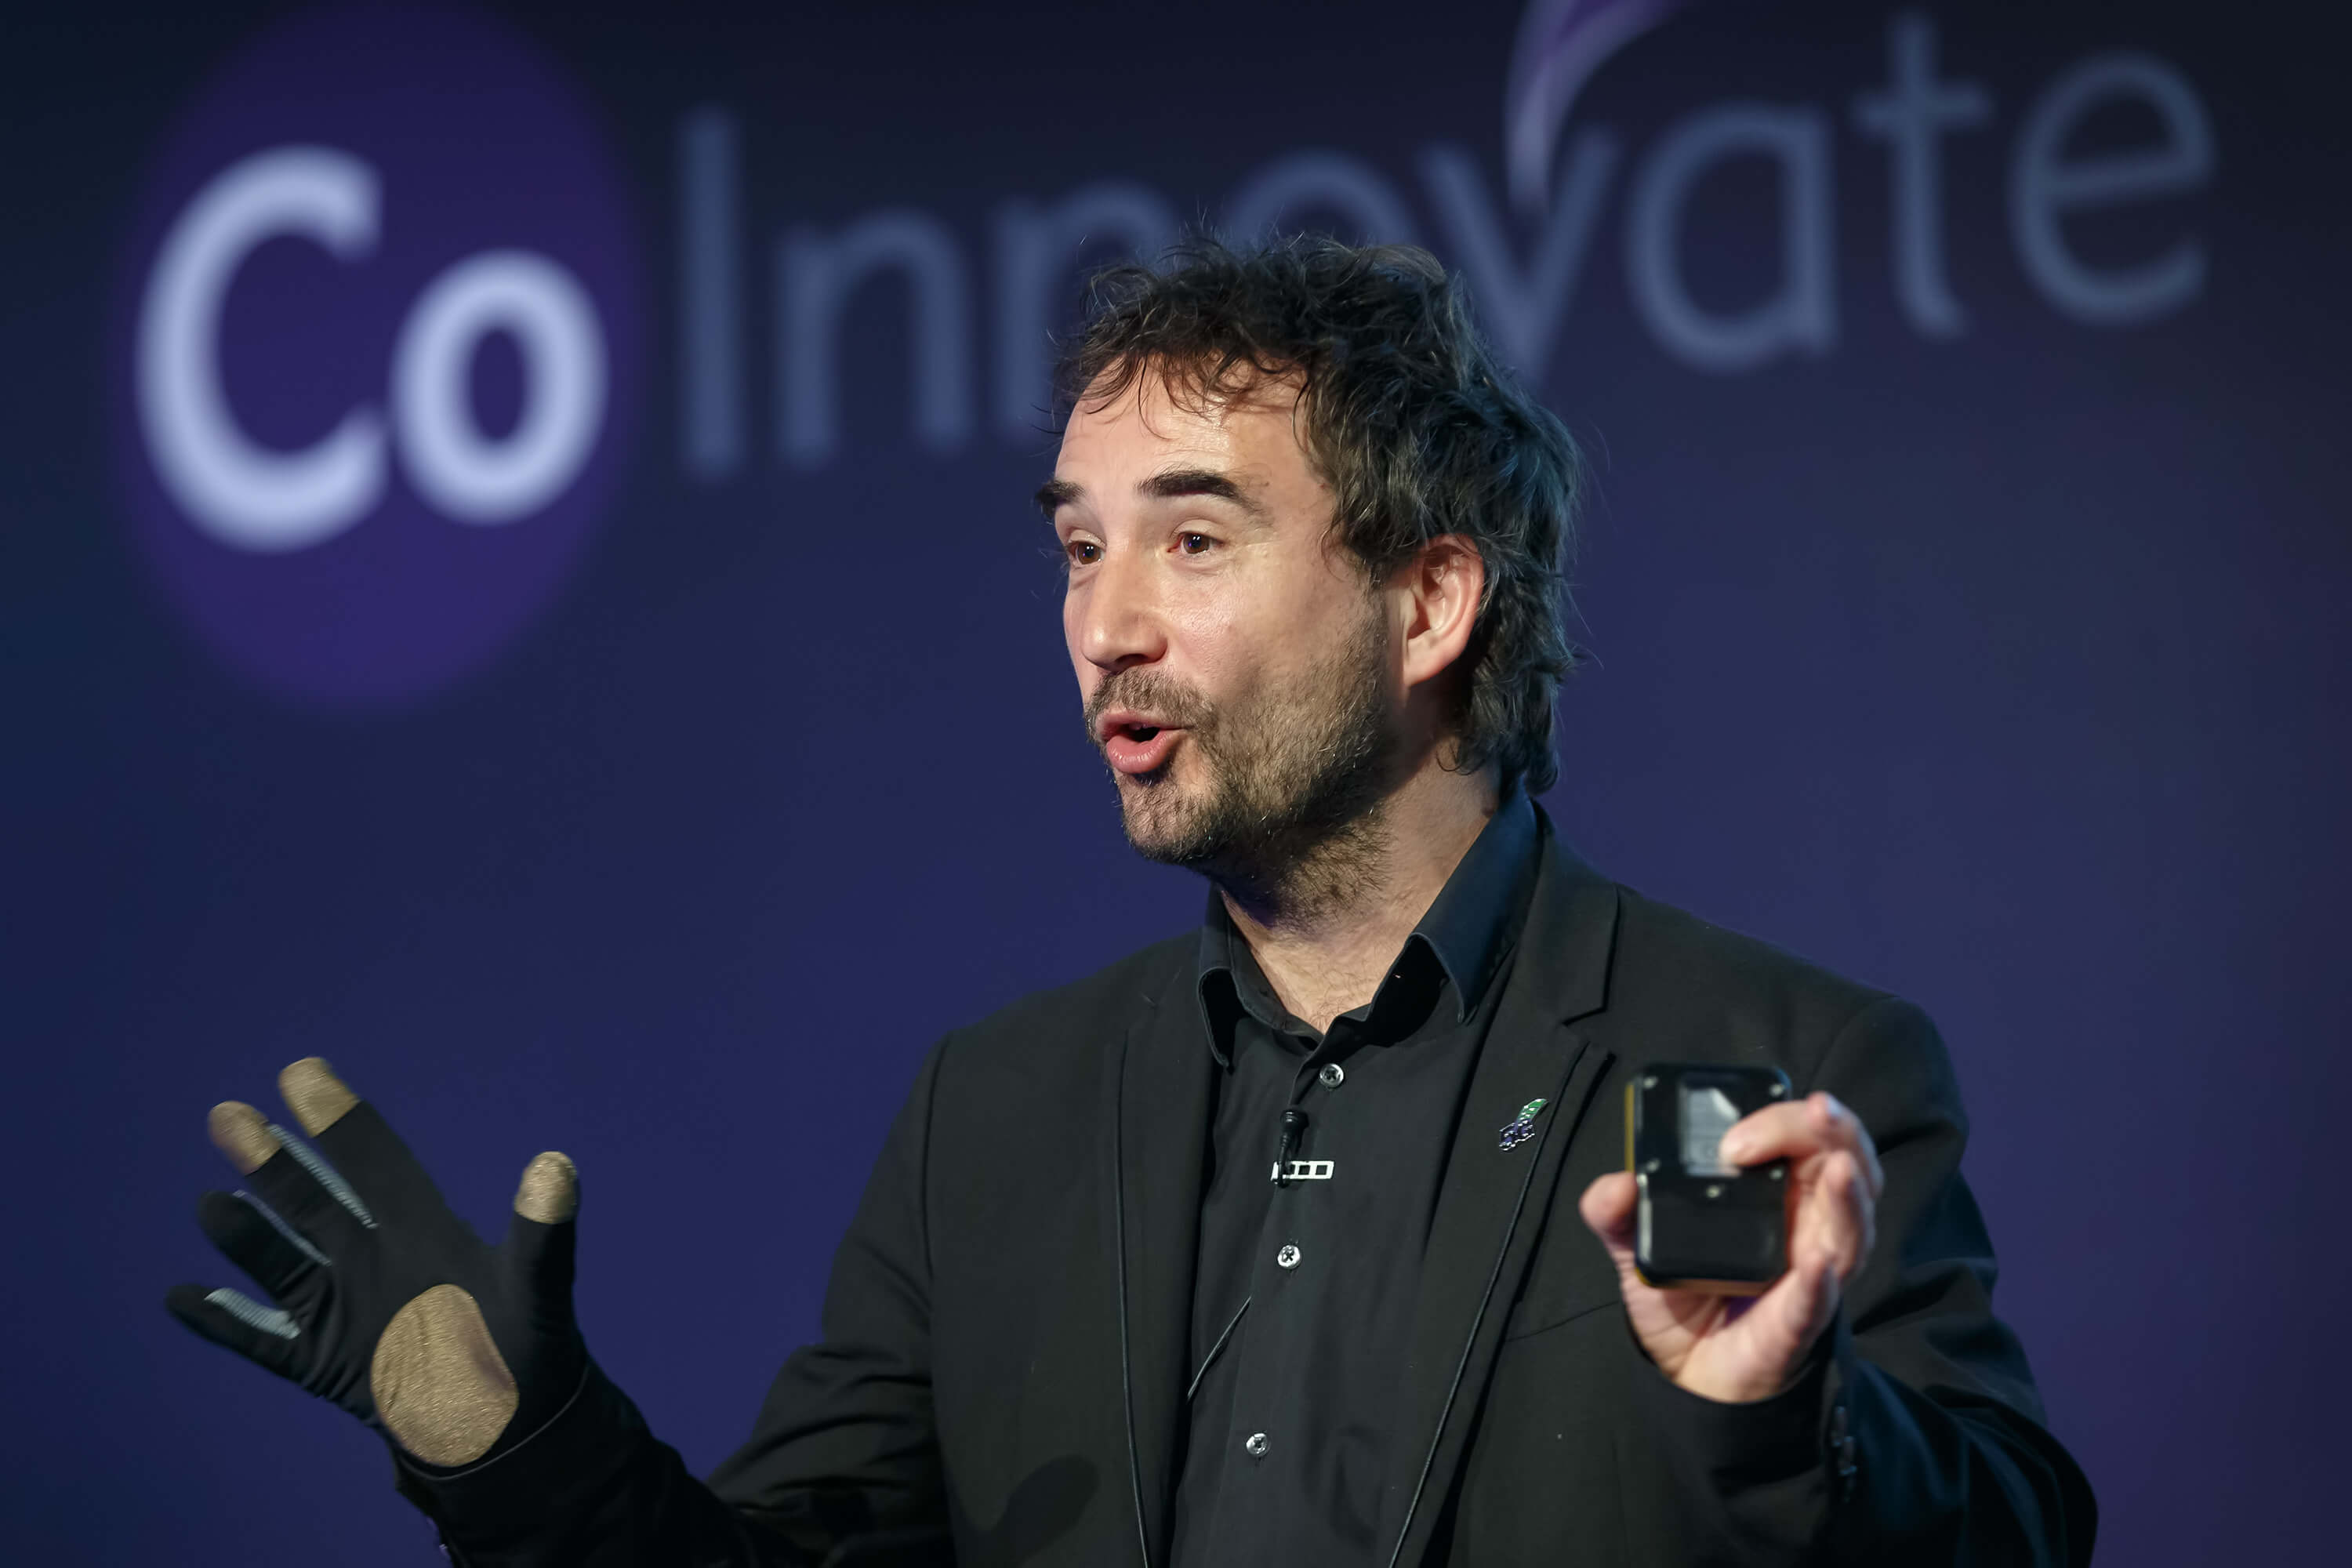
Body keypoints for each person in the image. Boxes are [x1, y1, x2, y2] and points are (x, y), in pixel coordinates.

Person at [169, 238, 2095, 1566]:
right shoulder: (996, 1114)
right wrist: (525, 1459)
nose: (1106, 624)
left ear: (1430, 601)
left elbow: (2015, 1532)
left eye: (1192, 535)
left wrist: (1781, 1413)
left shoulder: (1778, 1061)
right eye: (1080, 549)